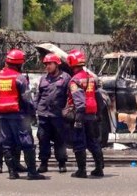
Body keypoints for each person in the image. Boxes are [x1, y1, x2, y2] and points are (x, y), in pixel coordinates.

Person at [0, 49, 45, 180]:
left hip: (4, 116)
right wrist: (32, 113)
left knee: (7, 143)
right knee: (27, 142)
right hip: (19, 116)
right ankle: (32, 172)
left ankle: (12, 172)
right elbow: (27, 99)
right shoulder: (20, 78)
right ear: (19, 64)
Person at [66, 49, 104, 178]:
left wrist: (78, 120)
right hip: (92, 115)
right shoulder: (91, 78)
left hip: (81, 116)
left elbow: (79, 102)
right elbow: (99, 98)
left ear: (71, 62)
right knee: (93, 141)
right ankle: (99, 168)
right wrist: (98, 114)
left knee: (79, 142)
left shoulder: (74, 80)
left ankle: (81, 171)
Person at [35, 53, 71, 173]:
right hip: (43, 114)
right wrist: (34, 110)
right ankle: (43, 163)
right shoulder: (43, 79)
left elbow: (69, 97)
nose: (47, 66)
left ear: (57, 64)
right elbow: (38, 96)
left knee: (60, 139)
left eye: (50, 64)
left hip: (58, 115)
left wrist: (67, 111)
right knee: (43, 139)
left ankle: (61, 163)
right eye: (46, 64)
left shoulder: (66, 78)